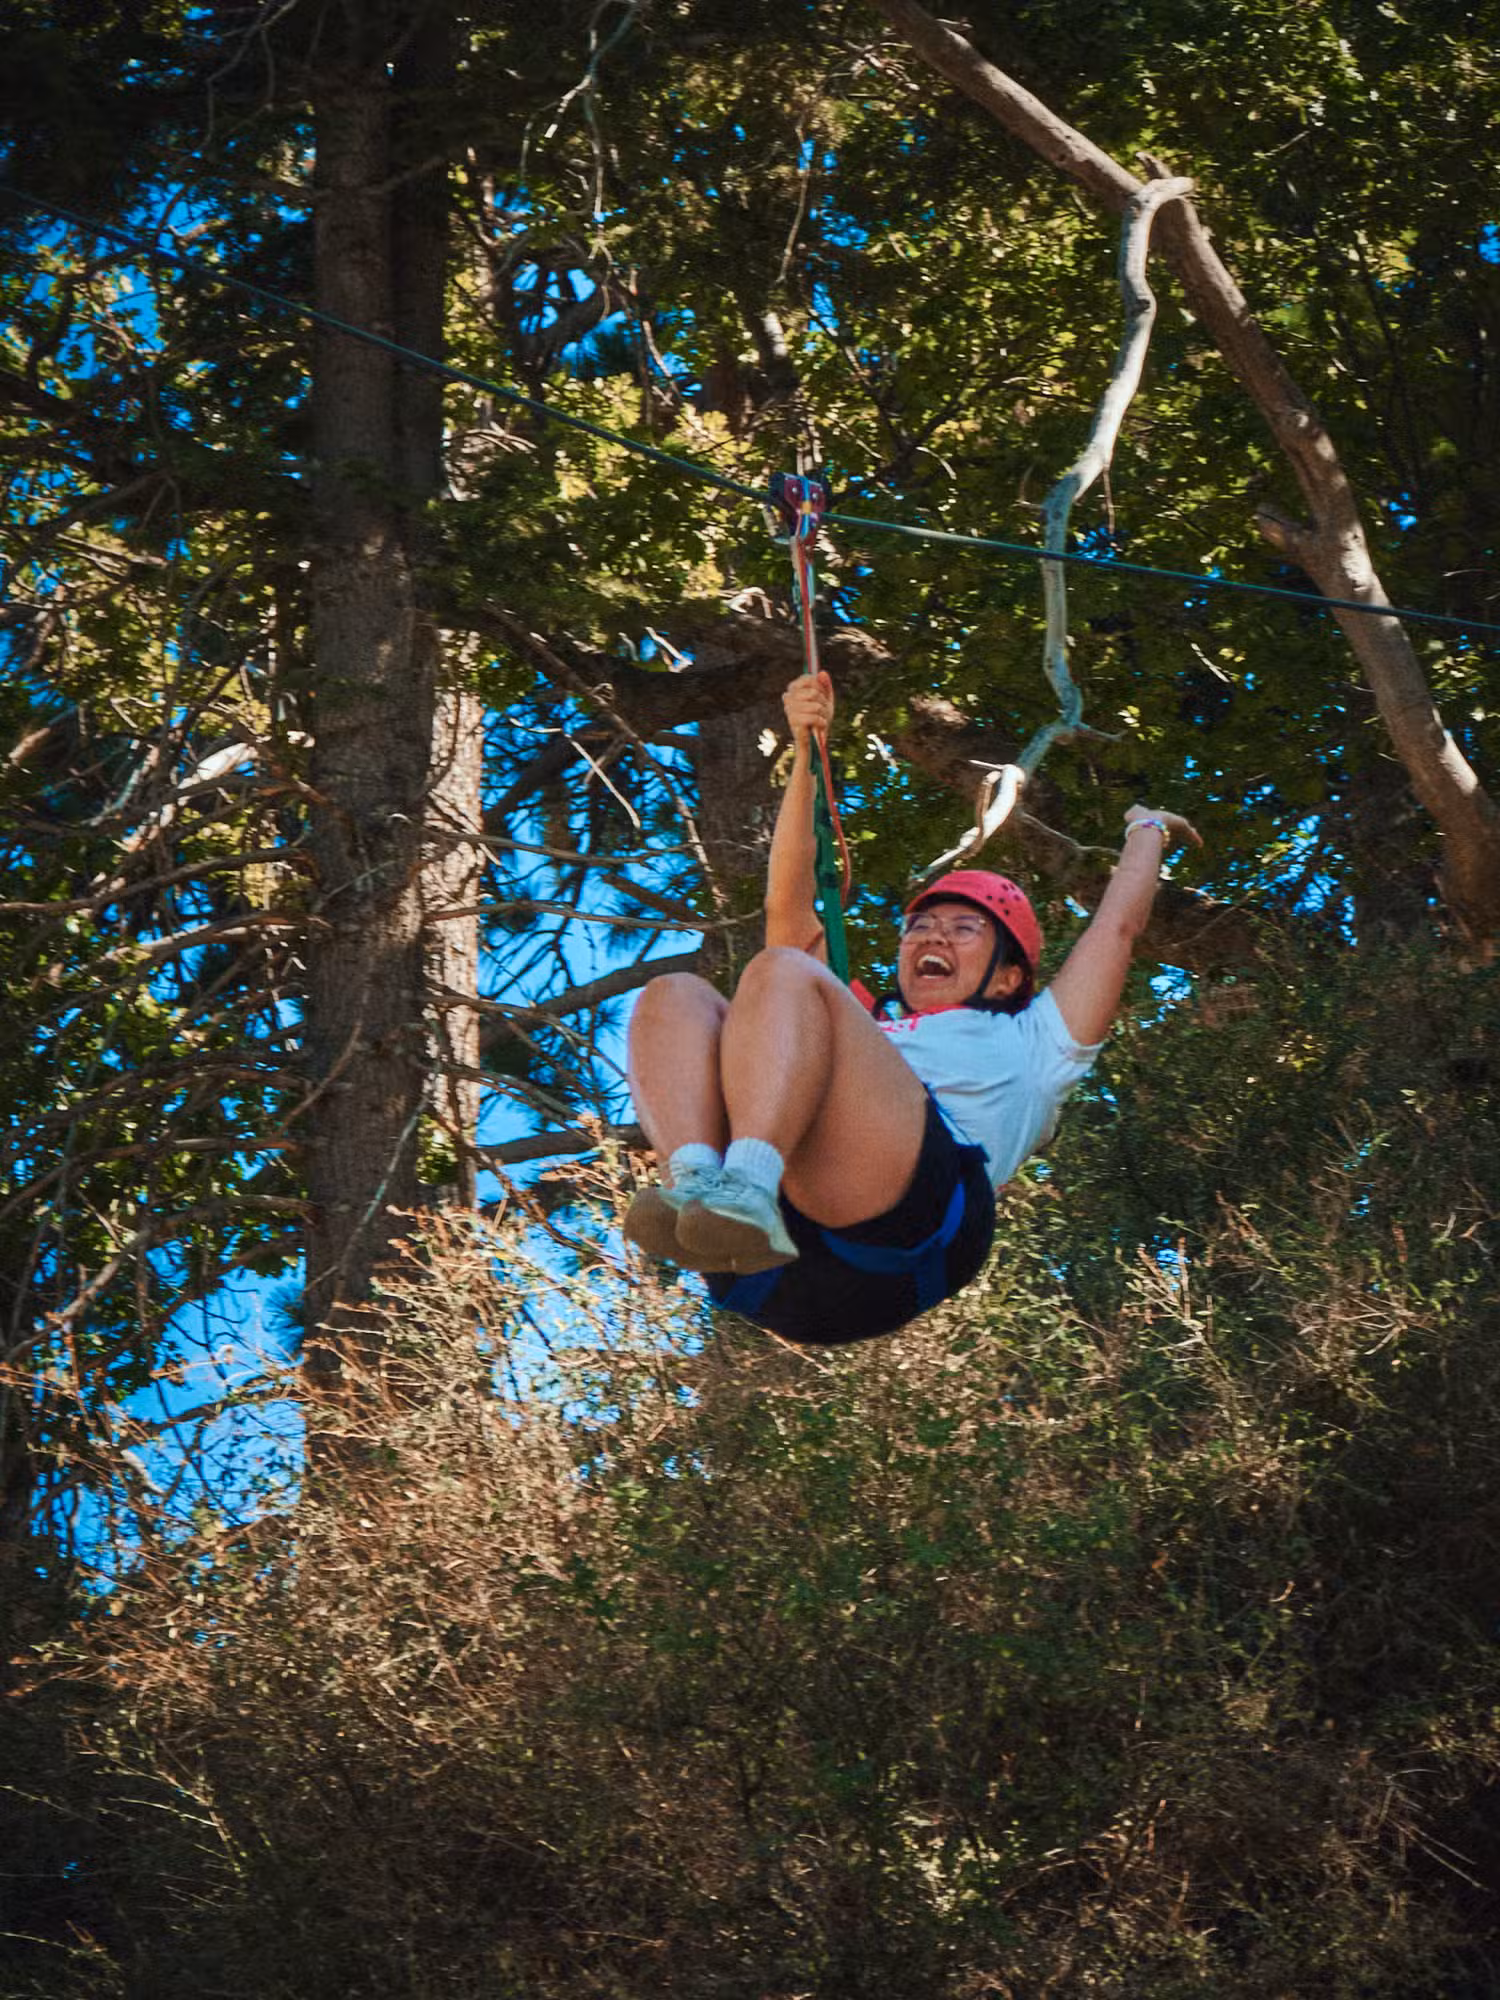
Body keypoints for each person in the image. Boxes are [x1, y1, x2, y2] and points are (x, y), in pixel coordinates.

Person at [624, 671, 1199, 1345]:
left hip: (907, 1231)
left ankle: (743, 1185)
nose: (933, 936)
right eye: (923, 926)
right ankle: (698, 1188)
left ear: (1010, 974)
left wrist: (1148, 831)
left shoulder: (1040, 1039)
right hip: (780, 1270)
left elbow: (1115, 932)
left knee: (786, 970)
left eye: (964, 929)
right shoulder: (855, 1031)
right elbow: (789, 906)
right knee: (675, 995)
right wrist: (806, 750)